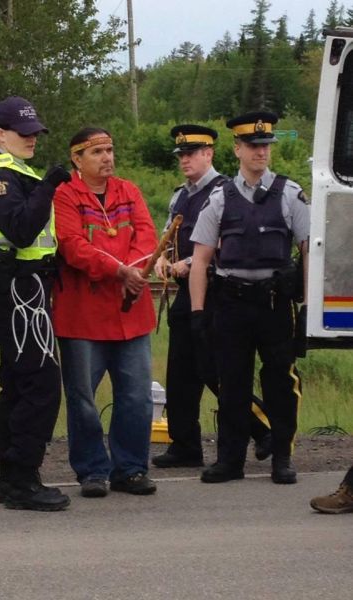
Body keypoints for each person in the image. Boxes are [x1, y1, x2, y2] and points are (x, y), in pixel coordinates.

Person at [189, 111, 310, 484]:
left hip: (275, 305)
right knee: (232, 384)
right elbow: (201, 259)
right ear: (237, 149)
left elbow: (309, 251)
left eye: (266, 146)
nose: (261, 152)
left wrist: (306, 302)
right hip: (232, 304)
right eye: (254, 146)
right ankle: (230, 460)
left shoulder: (290, 195)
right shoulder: (219, 199)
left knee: (280, 383)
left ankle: (282, 459)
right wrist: (197, 313)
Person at [0, 96, 71, 511]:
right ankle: (22, 478)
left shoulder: (16, 171)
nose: (32, 139)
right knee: (40, 381)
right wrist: (48, 185)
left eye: (35, 133)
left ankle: (11, 477)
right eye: (23, 133)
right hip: (12, 285)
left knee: (18, 378)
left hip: (24, 285)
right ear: (0, 134)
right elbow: (23, 230)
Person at [151, 124, 272, 469]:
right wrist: (162, 259)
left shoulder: (227, 192)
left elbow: (227, 242)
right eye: (181, 155)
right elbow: (168, 236)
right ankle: (184, 443)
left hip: (218, 291)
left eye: (192, 154)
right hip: (184, 295)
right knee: (180, 372)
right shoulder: (180, 195)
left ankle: (264, 429)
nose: (185, 160)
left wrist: (188, 263)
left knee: (215, 370)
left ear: (209, 154)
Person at [52, 127, 158, 498]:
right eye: (97, 151)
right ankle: (92, 470)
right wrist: (119, 271)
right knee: (83, 397)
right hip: (83, 317)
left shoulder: (129, 191)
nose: (107, 157)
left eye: (110, 150)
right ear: (77, 159)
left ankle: (130, 468)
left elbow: (147, 236)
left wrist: (136, 268)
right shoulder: (64, 195)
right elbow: (72, 245)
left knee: (136, 396)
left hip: (132, 313)